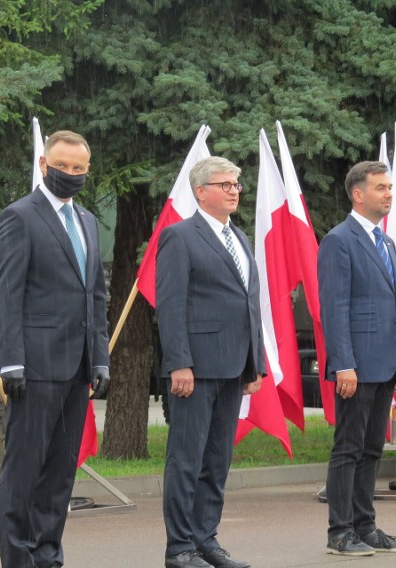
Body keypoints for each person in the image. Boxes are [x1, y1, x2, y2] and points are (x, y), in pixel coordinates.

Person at [0, 129, 111, 568]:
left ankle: (48, 556)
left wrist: (99, 357)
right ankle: (18, 560)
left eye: (79, 169)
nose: (71, 175)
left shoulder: (87, 221)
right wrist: (12, 361)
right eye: (62, 166)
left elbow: (94, 295)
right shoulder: (19, 216)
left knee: (60, 474)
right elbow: (7, 295)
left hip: (77, 367)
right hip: (35, 367)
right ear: (44, 164)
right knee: (24, 472)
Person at [156, 156, 265, 568]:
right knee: (186, 459)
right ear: (201, 191)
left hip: (234, 367)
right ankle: (179, 547)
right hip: (196, 369)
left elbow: (249, 304)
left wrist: (255, 363)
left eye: (236, 184)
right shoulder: (180, 237)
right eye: (225, 184)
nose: (234, 190)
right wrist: (179, 362)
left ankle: (206, 540)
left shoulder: (238, 237)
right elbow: (170, 305)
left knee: (217, 460)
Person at [318, 160, 396, 557]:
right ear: (358, 195)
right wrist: (344, 363)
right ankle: (340, 532)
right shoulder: (340, 240)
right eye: (380, 188)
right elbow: (335, 307)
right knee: (349, 448)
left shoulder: (386, 242)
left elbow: (395, 307)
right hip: (355, 365)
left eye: (390, 187)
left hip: (385, 363)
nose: (389, 193)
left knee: (373, 448)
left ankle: (366, 525)